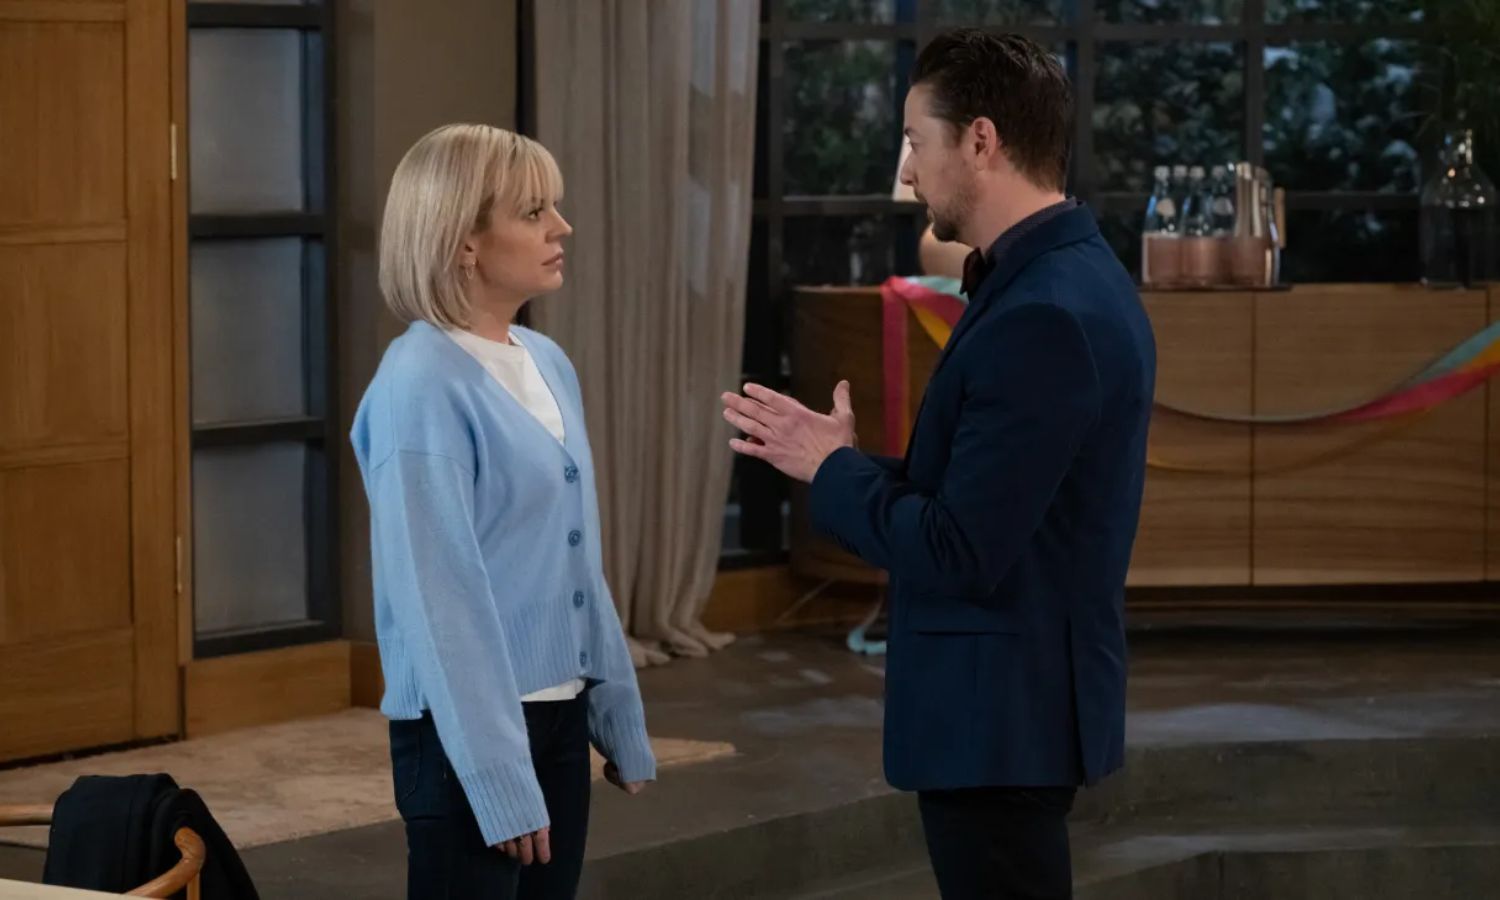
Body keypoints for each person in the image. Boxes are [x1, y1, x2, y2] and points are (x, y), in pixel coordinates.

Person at [721, 30, 1156, 900]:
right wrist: (834, 462)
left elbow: (960, 547)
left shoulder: (1044, 311)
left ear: (981, 141)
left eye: (916, 141)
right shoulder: (1058, 275)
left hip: (1001, 721)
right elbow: (986, 495)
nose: (908, 170)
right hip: (1011, 713)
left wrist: (832, 471)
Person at [351, 123, 655, 900]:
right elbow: (440, 601)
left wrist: (615, 710)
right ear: (464, 242)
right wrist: (496, 771)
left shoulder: (546, 361)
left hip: (559, 717)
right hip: (463, 736)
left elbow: (575, 560)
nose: (562, 227)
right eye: (533, 212)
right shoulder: (419, 385)